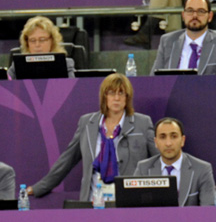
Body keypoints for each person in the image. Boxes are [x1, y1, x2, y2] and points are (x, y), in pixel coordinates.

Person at [28, 74, 156, 202]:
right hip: (93, 200)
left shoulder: (142, 123)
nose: (116, 98)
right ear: (104, 96)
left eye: (121, 93)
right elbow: (67, 160)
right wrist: (39, 187)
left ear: (127, 97)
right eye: (111, 93)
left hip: (130, 201)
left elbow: (157, 160)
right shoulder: (87, 123)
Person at [134, 117, 215, 205]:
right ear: (156, 142)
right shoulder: (143, 169)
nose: (168, 143)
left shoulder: (202, 169)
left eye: (174, 136)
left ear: (182, 140)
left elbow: (209, 210)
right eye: (163, 137)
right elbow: (135, 210)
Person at [151, 0, 216, 74]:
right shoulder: (167, 41)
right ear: (183, 15)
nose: (195, 15)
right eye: (190, 10)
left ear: (210, 16)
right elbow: (154, 81)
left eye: (201, 11)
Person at [7, 16, 76, 80]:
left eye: (42, 40)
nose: (37, 45)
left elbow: (73, 89)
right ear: (27, 43)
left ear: (52, 41)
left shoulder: (66, 64)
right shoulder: (16, 66)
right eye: (32, 40)